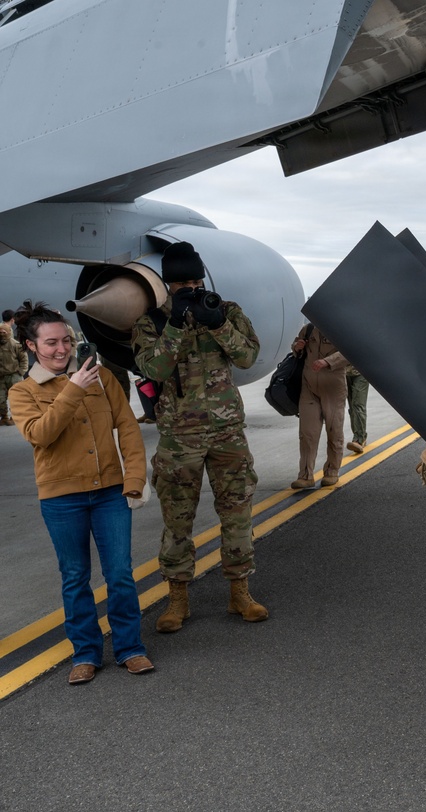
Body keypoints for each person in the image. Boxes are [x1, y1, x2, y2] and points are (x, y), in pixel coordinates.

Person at [9, 302, 153, 684]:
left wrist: (134, 478)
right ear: (30, 346)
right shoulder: (21, 392)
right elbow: (41, 434)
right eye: (51, 342)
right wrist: (72, 390)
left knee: (120, 573)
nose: (61, 349)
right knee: (75, 577)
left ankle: (130, 648)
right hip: (61, 499)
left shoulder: (103, 379)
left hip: (108, 492)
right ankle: (86, 653)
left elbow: (128, 428)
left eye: (67, 341)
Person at [132, 241, 267, 632]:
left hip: (227, 434)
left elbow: (247, 357)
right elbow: (154, 368)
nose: (190, 288)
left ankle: (240, 592)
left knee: (238, 513)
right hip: (179, 437)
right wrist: (175, 323)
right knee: (177, 521)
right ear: (167, 285)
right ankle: (177, 600)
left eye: (195, 280)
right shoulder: (150, 323)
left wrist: (217, 324)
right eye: (181, 284)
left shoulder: (225, 311)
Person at [289, 323, 348, 489]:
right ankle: (306, 475)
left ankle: (332, 471)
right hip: (309, 388)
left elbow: (351, 353)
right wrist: (297, 347)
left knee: (334, 430)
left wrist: (328, 361)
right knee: (307, 433)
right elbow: (295, 347)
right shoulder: (308, 329)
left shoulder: (340, 328)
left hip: (333, 388)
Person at [0, 321, 29, 425]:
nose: (2, 334)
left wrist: (21, 372)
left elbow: (24, 359)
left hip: (14, 375)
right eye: (0, 332)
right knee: (1, 399)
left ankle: (15, 417)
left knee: (16, 398)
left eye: (4, 332)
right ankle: (4, 417)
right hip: (1, 377)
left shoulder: (15, 345)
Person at [344, 361, 369, 454]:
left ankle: (358, 440)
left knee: (358, 404)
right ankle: (359, 435)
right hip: (343, 372)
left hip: (360, 372)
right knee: (352, 406)